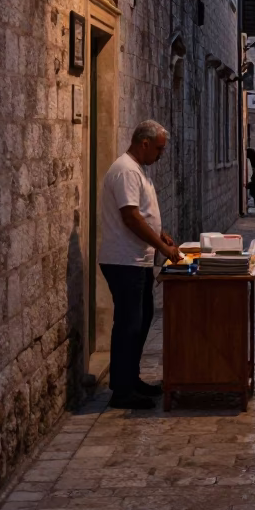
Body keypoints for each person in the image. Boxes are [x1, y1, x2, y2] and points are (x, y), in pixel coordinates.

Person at [99, 120, 182, 409]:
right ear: (143, 143)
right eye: (159, 148)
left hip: (138, 260)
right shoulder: (125, 171)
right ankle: (122, 391)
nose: (161, 154)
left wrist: (159, 233)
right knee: (128, 325)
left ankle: (130, 380)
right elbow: (131, 217)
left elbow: (142, 215)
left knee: (141, 320)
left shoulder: (138, 171)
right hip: (124, 261)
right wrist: (162, 247)